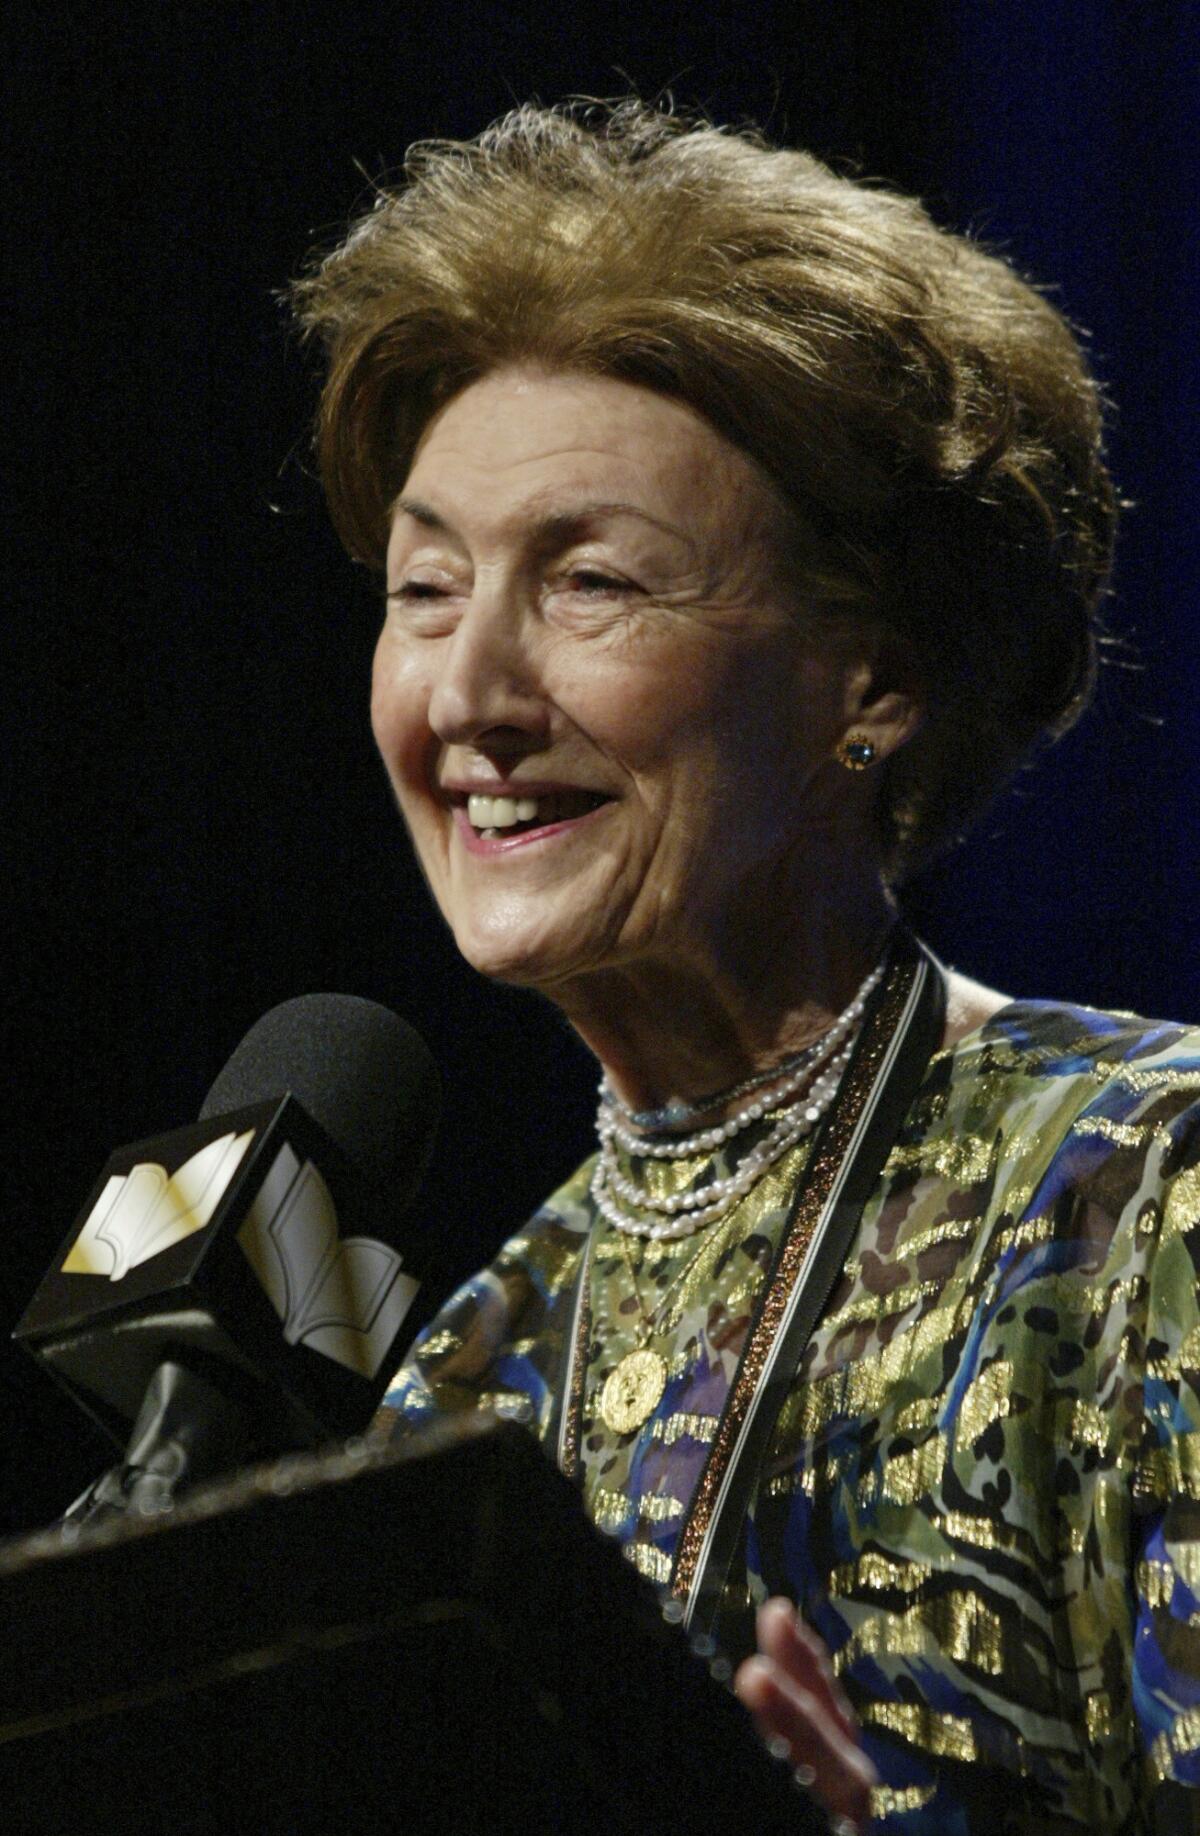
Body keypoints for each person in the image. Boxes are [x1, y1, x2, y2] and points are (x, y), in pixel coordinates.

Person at [290, 96, 1200, 1834]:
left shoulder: (1142, 1194)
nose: (468, 696)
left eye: (590, 583)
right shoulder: (465, 1390)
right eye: (423, 589)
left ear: (877, 677)